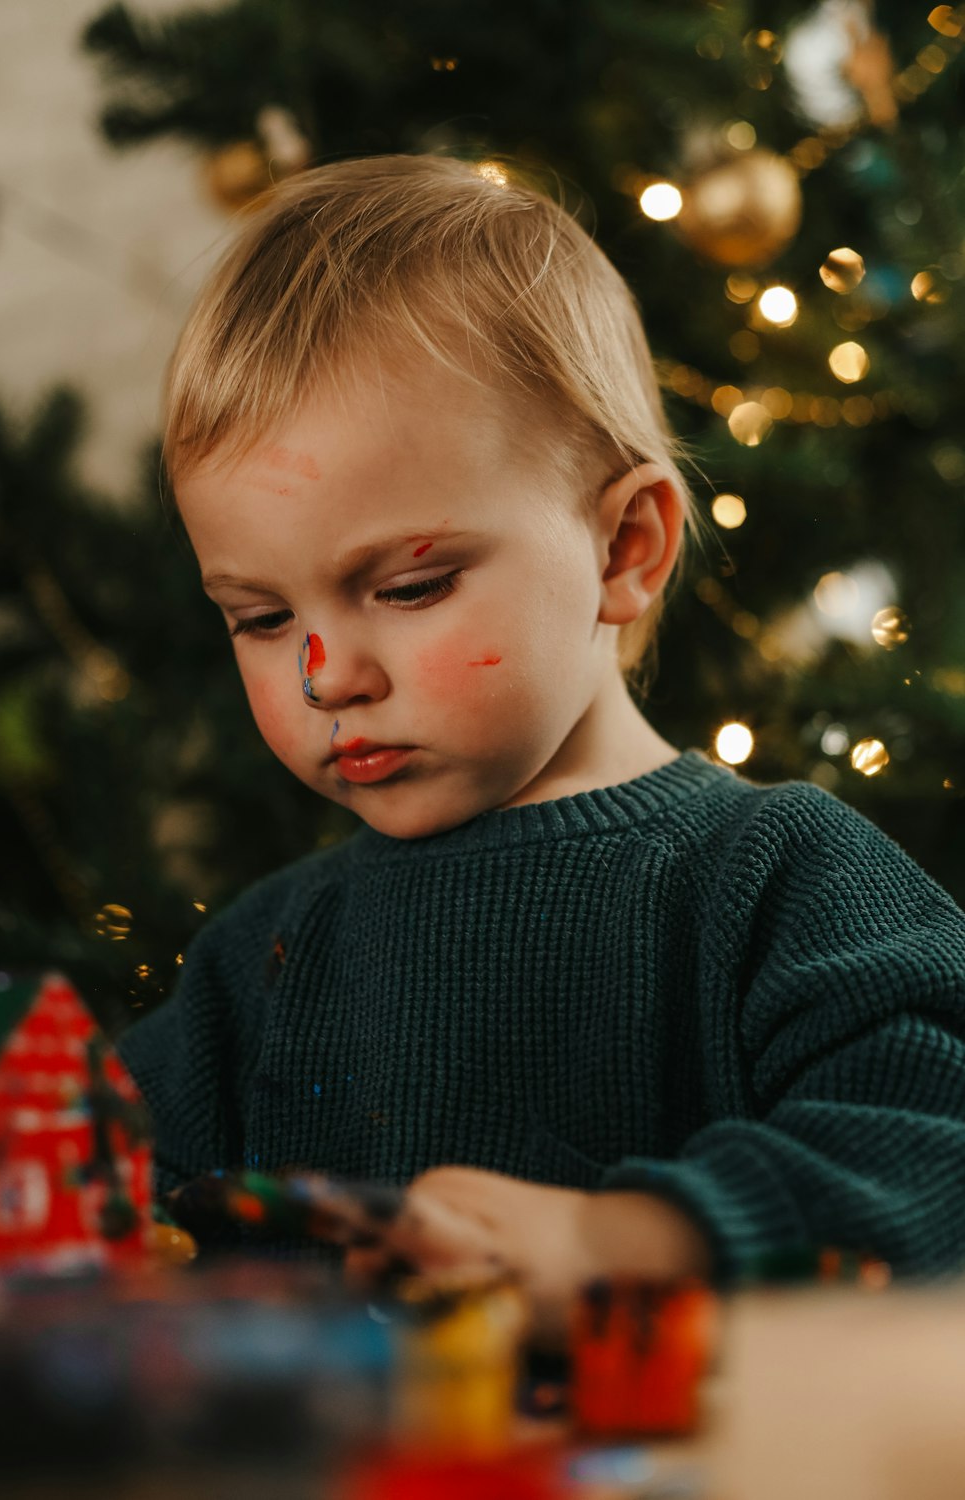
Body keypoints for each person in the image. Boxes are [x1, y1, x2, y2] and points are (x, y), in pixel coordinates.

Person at [120, 153, 965, 1304]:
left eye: (410, 588)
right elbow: (72, 1188)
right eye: (260, 618)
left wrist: (631, 1242)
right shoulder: (260, 964)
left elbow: (933, 1145)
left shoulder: (775, 878)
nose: (328, 678)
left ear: (625, 548)